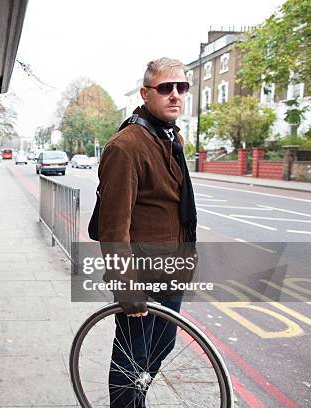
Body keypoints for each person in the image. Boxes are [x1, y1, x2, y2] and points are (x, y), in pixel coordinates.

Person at [97, 57, 197, 407]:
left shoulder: (171, 137)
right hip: (141, 275)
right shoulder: (126, 146)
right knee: (131, 359)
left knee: (162, 345)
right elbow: (113, 227)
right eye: (165, 88)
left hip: (171, 270)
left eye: (181, 87)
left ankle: (135, 398)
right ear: (145, 92)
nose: (175, 95)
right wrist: (127, 287)